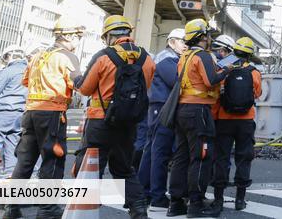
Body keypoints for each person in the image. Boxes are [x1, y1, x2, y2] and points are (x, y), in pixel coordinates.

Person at [75, 15, 155, 219]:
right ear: (129, 34)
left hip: (100, 120)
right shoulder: (147, 59)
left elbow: (84, 89)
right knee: (123, 168)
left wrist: (76, 80)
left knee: (91, 167)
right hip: (128, 122)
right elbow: (144, 88)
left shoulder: (103, 56)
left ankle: (86, 211)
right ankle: (138, 209)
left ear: (109, 36)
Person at [7, 18, 84, 219]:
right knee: (53, 158)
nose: (77, 40)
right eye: (76, 36)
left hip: (30, 112)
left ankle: (12, 207)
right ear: (66, 36)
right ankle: (48, 208)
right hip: (52, 113)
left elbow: (25, 81)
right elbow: (79, 84)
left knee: (25, 159)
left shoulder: (38, 56)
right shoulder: (67, 57)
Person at [168, 19, 229, 217]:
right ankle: (196, 204)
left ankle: (176, 203)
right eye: (208, 35)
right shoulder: (201, 56)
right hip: (199, 112)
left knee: (181, 157)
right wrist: (227, 70)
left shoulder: (185, 55)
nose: (210, 38)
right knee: (201, 158)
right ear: (202, 36)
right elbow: (211, 81)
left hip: (182, 110)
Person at [212, 37, 262, 214]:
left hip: (224, 120)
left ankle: (218, 199)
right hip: (246, 121)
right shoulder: (254, 72)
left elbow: (216, 90)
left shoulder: (224, 69)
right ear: (249, 54)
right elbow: (257, 93)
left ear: (234, 51)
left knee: (221, 158)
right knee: (244, 158)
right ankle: (240, 199)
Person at [139, 28, 187, 209]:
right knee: (160, 152)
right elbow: (177, 80)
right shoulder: (167, 58)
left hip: (160, 108)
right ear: (171, 41)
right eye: (183, 41)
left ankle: (146, 192)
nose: (185, 45)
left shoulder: (168, 57)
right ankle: (157, 196)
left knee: (152, 151)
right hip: (163, 109)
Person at [0, 46, 28, 176]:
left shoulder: (7, 71)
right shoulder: (29, 71)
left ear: (9, 56)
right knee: (13, 144)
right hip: (21, 113)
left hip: (4, 112)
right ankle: (9, 175)